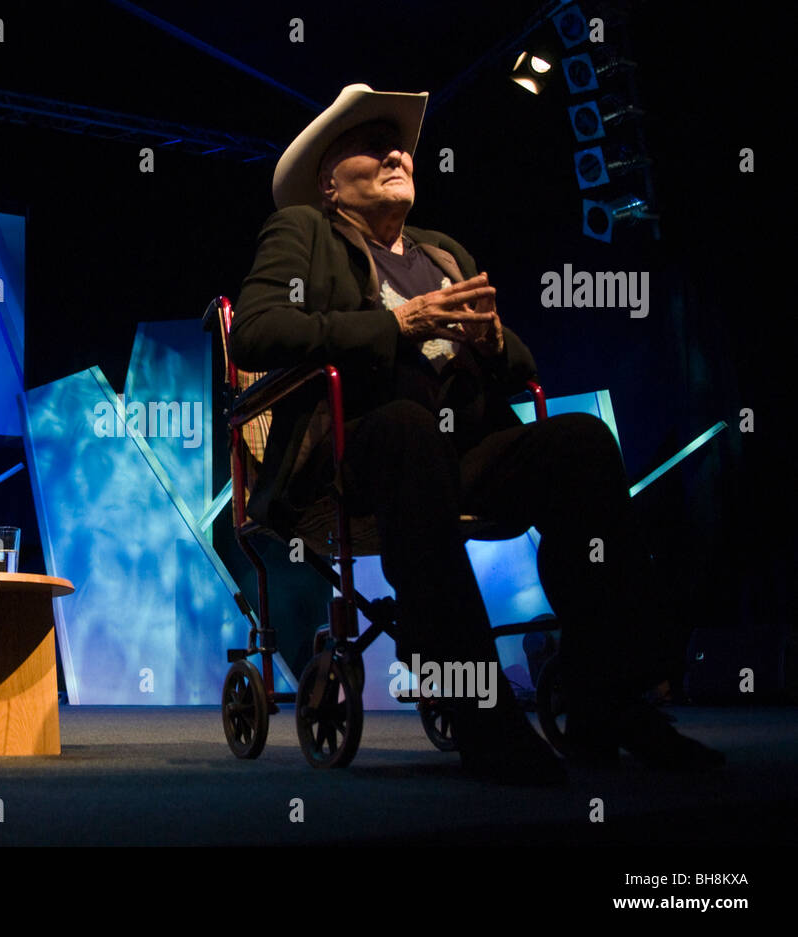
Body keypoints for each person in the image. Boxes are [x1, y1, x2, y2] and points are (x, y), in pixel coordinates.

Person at [231, 84, 722, 784]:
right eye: (374, 145)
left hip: (462, 447)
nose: (398, 151)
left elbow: (520, 362)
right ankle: (483, 717)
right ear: (329, 184)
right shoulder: (304, 233)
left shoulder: (442, 250)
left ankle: (607, 698)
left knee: (580, 443)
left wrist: (491, 338)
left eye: (400, 144)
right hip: (360, 447)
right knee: (405, 430)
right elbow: (256, 330)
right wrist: (393, 326)